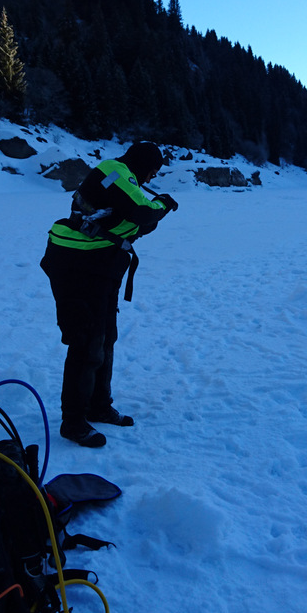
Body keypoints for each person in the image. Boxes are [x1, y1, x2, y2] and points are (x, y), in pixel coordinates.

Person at [40, 142, 178, 447]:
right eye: (154, 170)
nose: (152, 177)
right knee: (85, 341)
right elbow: (143, 212)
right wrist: (163, 204)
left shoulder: (125, 183)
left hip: (100, 266)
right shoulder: (114, 171)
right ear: (144, 163)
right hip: (75, 264)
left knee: (104, 338)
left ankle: (98, 405)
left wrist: (154, 212)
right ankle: (73, 422)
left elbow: (138, 222)